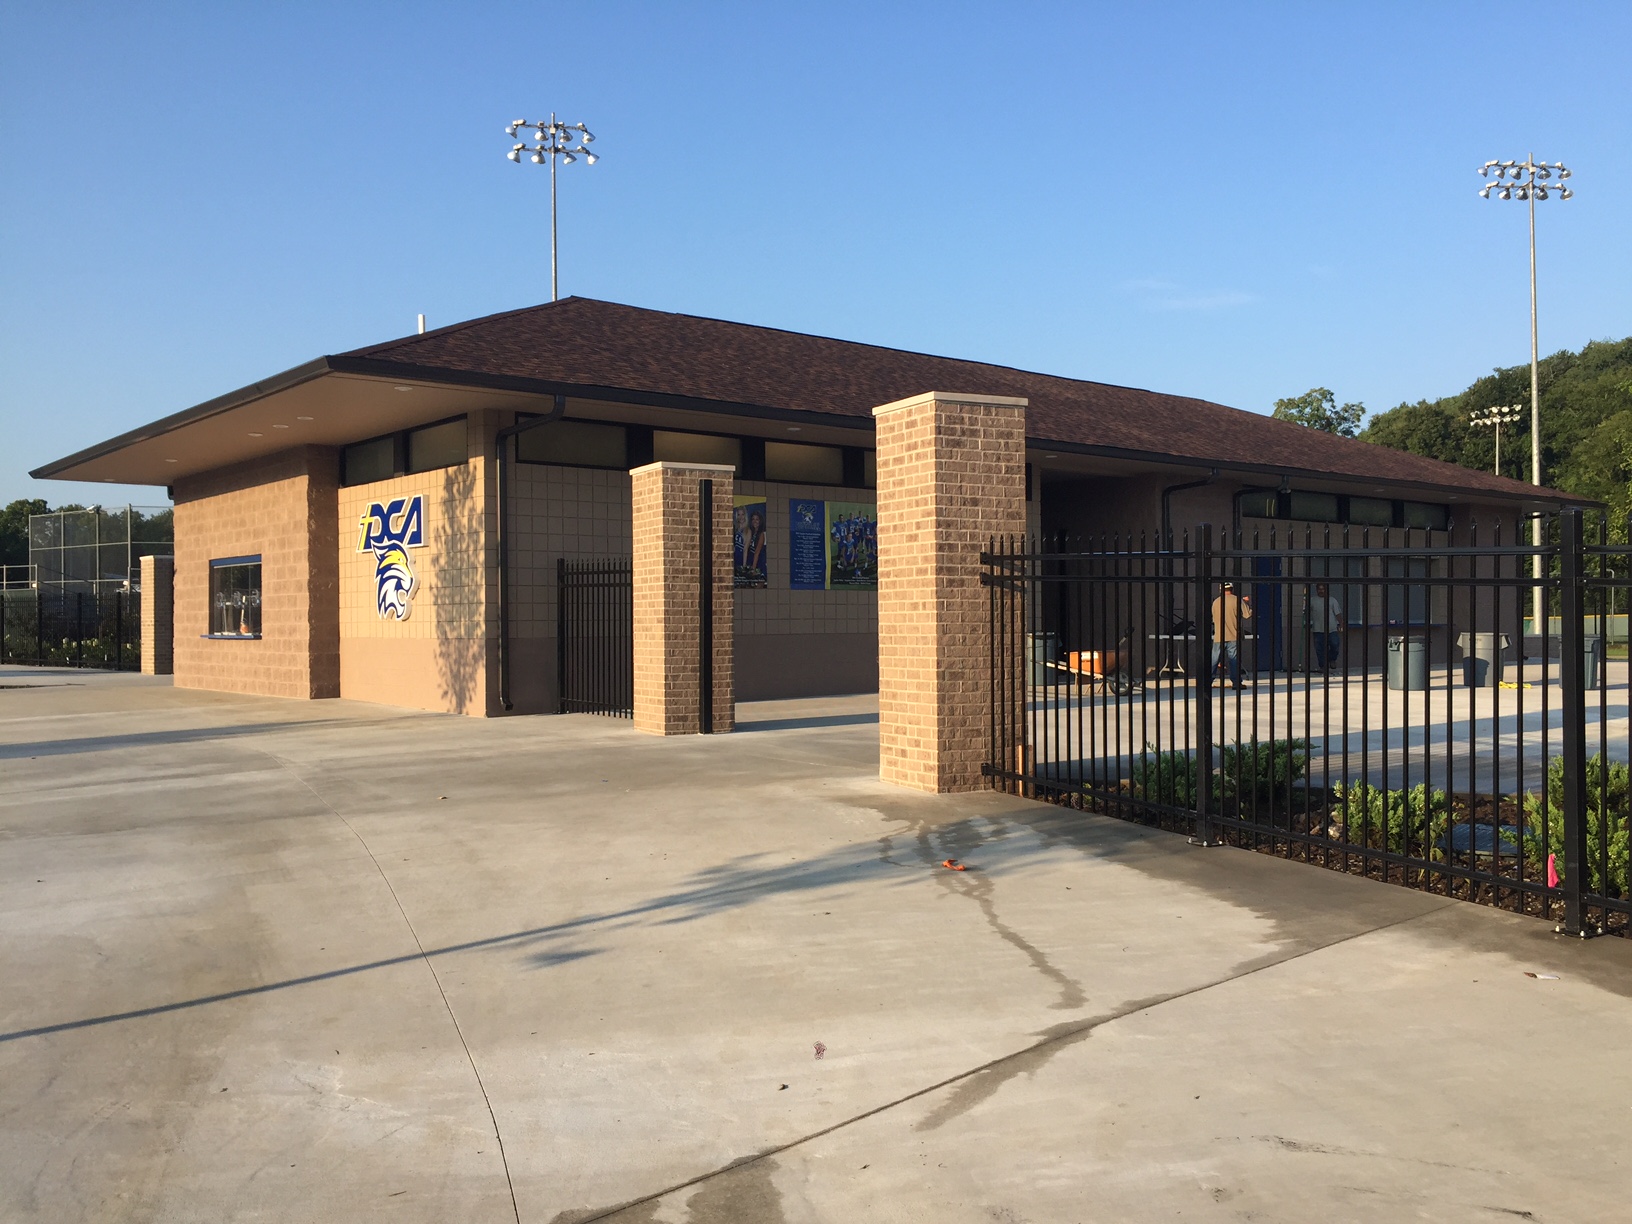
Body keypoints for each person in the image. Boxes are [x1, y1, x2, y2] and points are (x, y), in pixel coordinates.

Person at [1209, 581, 1252, 687]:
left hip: (1219, 635)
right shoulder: (1237, 600)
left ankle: (1207, 681)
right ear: (1232, 589)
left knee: (1214, 659)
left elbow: (1214, 619)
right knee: (1234, 659)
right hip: (1233, 634)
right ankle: (1236, 683)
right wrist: (1246, 603)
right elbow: (1247, 615)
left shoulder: (1216, 602)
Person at [1308, 582, 1345, 672]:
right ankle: (1323, 666)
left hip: (1331, 628)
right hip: (1318, 629)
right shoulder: (1312, 600)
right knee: (1319, 649)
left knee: (1335, 645)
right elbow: (1307, 612)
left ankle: (1332, 659)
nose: (1321, 591)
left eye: (1322, 589)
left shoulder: (1332, 600)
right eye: (1319, 589)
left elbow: (1338, 614)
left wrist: (1341, 623)